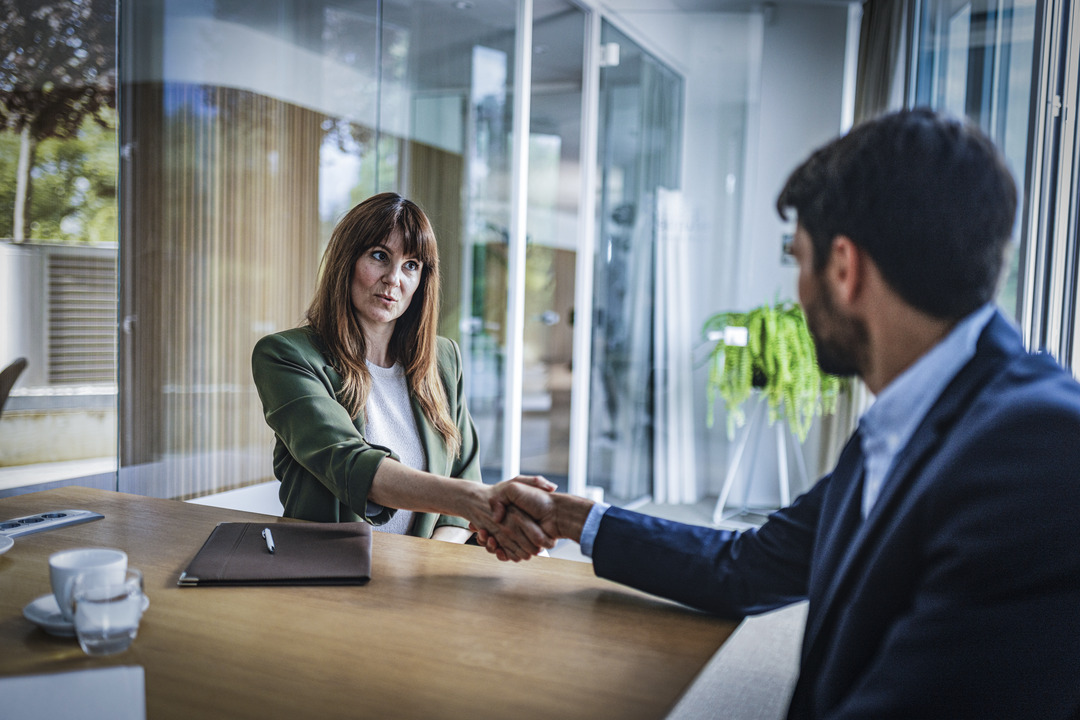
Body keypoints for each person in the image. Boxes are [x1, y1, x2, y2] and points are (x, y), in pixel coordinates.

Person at [479, 109, 1080, 717]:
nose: (798, 293)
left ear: (843, 269)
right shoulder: (912, 420)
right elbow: (744, 569)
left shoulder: (1042, 453)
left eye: (797, 258)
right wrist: (570, 517)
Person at [252, 192, 553, 561]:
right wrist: (480, 501)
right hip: (330, 566)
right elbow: (352, 465)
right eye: (379, 256)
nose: (393, 279)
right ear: (347, 261)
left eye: (411, 265)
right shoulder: (286, 354)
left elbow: (464, 472)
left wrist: (429, 560)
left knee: (538, 563)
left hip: (424, 564)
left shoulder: (443, 358)